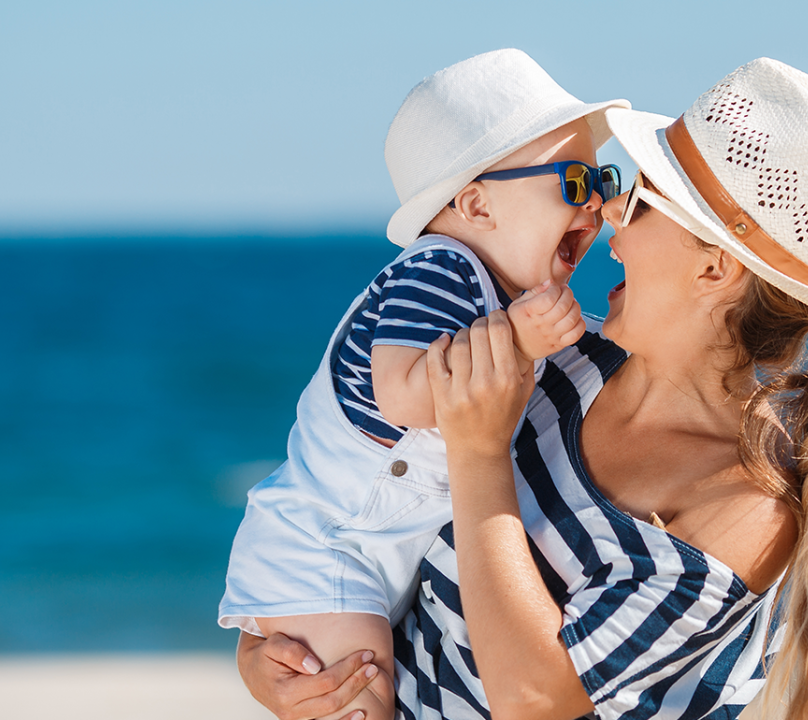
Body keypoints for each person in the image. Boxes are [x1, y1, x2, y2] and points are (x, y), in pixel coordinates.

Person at [239, 58, 808, 720]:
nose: (611, 224)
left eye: (640, 201)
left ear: (714, 270)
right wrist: (275, 656)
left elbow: (536, 700)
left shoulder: (744, 509)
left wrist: (479, 454)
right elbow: (364, 518)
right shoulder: (563, 366)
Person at [218, 49, 629, 720]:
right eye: (576, 182)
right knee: (356, 698)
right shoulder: (443, 267)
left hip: (375, 550)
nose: (598, 207)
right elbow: (403, 394)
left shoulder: (496, 293)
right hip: (328, 542)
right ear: (475, 204)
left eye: (603, 180)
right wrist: (520, 342)